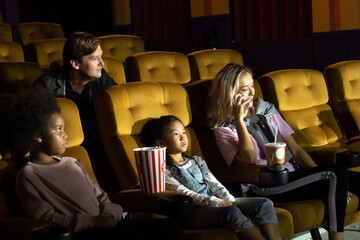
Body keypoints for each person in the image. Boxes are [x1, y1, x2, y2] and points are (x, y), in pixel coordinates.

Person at [0, 88, 183, 240]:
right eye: (58, 129)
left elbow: (101, 197)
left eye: (64, 128)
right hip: (84, 233)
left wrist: (110, 214)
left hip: (109, 224)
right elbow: (47, 219)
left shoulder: (73, 163)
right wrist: (94, 222)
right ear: (37, 136)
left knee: (168, 226)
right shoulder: (28, 176)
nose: (65, 134)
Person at [207, 63, 351, 240]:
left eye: (252, 86)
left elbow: (296, 150)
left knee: (349, 178)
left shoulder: (265, 110)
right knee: (337, 173)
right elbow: (250, 158)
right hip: (267, 185)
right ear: (230, 93)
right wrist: (238, 119)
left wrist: (323, 176)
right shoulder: (223, 130)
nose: (252, 93)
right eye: (245, 89)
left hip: (293, 176)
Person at [139, 115, 281, 240]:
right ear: (161, 143)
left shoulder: (196, 160)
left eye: (183, 132)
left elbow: (214, 184)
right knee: (231, 212)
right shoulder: (163, 170)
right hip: (193, 211)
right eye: (176, 134)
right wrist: (217, 203)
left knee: (265, 204)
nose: (183, 137)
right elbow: (185, 193)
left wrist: (228, 199)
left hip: (216, 201)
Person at [33, 31, 118, 194]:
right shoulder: (47, 85)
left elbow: (117, 105)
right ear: (75, 64)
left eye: (101, 56)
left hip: (95, 144)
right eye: (94, 58)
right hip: (62, 149)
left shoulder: (102, 77)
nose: (102, 63)